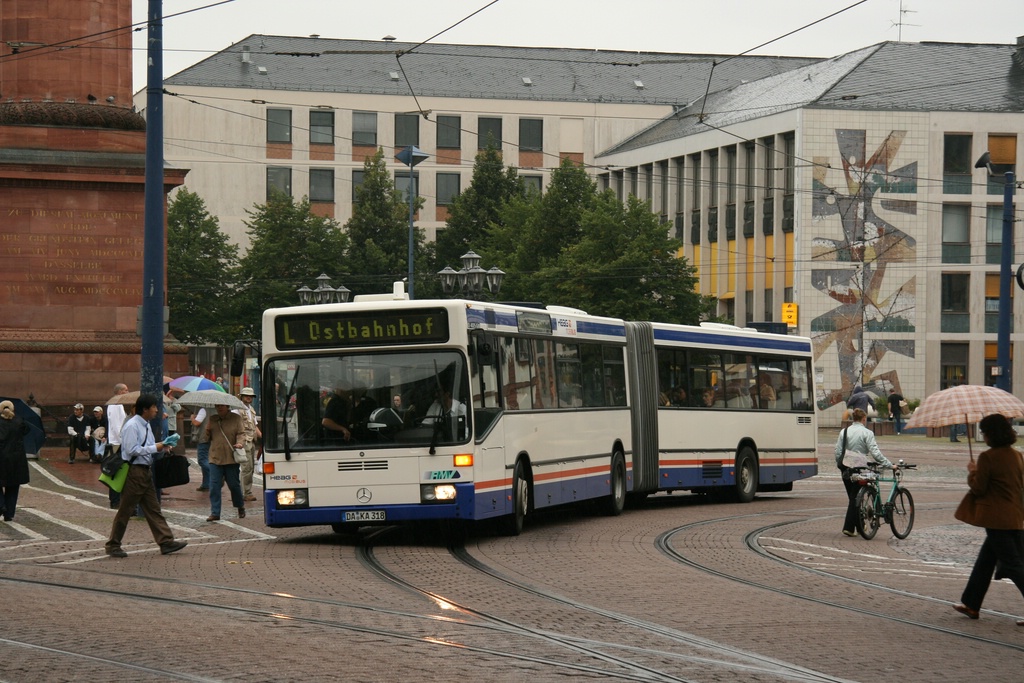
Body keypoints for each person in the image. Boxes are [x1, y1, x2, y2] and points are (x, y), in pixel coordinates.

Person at [952, 413, 1024, 624]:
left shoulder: (988, 457)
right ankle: (971, 604)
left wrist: (973, 472)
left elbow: (978, 488)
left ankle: (971, 604)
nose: (982, 436)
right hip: (1014, 516)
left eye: (983, 432)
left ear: (991, 434)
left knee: (1013, 565)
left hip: (996, 519)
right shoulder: (1017, 455)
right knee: (985, 562)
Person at [104, 394, 187, 558]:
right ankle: (113, 544)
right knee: (126, 510)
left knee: (153, 509)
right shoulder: (132, 426)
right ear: (145, 409)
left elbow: (147, 446)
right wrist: (156, 447)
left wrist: (163, 447)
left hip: (145, 471)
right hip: (134, 472)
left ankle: (166, 541)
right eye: (154, 407)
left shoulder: (146, 425)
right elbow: (131, 450)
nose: (157, 410)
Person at [834, 407, 895, 537]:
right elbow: (875, 452)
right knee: (855, 498)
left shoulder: (843, 432)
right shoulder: (867, 433)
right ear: (863, 419)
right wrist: (888, 464)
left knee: (853, 497)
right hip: (860, 468)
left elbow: (838, 451)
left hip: (845, 468)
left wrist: (841, 464)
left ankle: (857, 526)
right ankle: (849, 527)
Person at [204, 403, 246, 521]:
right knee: (214, 486)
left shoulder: (236, 419)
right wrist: (207, 431)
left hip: (231, 458)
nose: (220, 408)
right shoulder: (212, 419)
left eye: (222, 406)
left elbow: (242, 434)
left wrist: (240, 443)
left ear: (228, 407)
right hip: (215, 458)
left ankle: (240, 505)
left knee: (234, 485)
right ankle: (215, 512)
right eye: (217, 406)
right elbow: (206, 439)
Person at [0, 400, 31, 522]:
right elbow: (26, 430)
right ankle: (9, 513)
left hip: (1, 458)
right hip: (16, 459)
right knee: (13, 486)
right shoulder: (19, 421)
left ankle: (1, 505)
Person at [234, 387, 261, 502]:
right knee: (246, 468)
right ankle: (246, 493)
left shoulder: (251, 410)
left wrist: (262, 437)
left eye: (250, 396)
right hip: (243, 442)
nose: (249, 397)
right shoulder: (236, 410)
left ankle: (245, 491)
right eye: (246, 395)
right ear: (242, 396)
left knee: (250, 468)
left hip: (251, 441)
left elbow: (255, 427)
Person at [105, 384, 129, 509]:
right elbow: (116, 426)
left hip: (117, 442)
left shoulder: (116, 404)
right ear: (119, 391)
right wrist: (123, 441)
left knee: (118, 472)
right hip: (117, 443)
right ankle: (114, 500)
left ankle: (116, 498)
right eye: (125, 390)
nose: (127, 391)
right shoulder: (116, 405)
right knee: (116, 472)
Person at [191, 407, 211, 492]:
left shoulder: (204, 410)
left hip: (204, 438)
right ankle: (206, 484)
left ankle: (216, 476)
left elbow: (197, 423)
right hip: (213, 438)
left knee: (202, 460)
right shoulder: (216, 409)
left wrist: (192, 418)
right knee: (208, 459)